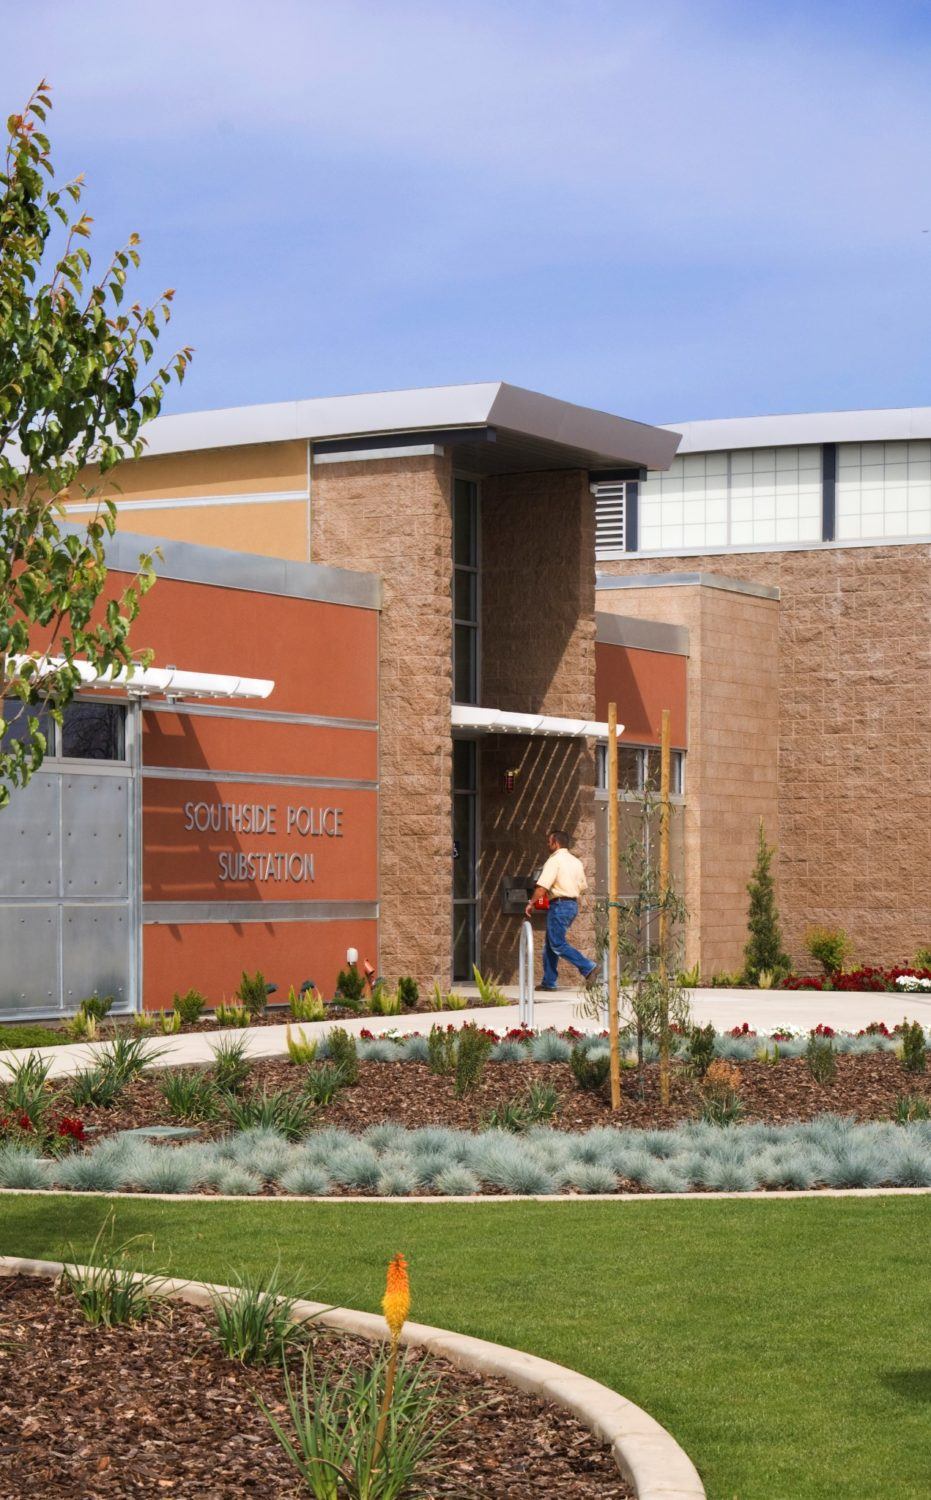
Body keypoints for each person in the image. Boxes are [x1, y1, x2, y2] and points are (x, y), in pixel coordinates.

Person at [525, 828, 597, 991]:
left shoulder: (554, 860)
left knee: (557, 944)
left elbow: (542, 887)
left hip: (559, 905)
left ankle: (588, 967)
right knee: (550, 945)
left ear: (555, 843)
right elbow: (582, 886)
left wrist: (531, 903)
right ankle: (549, 982)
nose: (547, 844)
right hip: (571, 905)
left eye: (549, 842)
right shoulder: (576, 862)